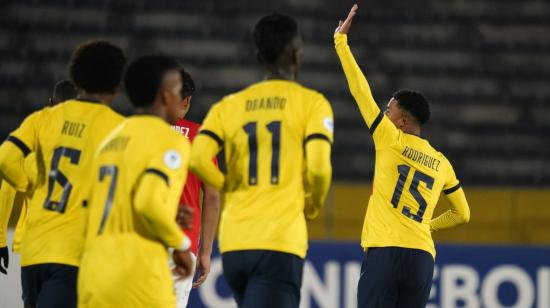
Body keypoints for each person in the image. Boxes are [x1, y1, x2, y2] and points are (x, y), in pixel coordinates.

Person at [190, 13, 333, 308]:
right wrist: (313, 204)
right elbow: (319, 170)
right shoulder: (312, 103)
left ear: (258, 55)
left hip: (234, 245)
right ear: (297, 55)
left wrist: (229, 186)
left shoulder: (228, 106)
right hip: (279, 241)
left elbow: (198, 158)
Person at [334, 5, 471, 308]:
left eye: (389, 109)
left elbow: (360, 92)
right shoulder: (442, 162)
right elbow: (464, 214)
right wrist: (428, 226)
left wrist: (341, 44)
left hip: (385, 251)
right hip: (422, 257)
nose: (384, 112)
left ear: (403, 121)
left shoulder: (389, 138)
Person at [0, 40, 126, 308]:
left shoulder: (42, 120)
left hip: (34, 252)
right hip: (75, 252)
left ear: (76, 77)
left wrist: (31, 183)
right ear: (115, 86)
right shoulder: (118, 128)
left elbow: (5, 158)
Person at [78, 54, 194, 308]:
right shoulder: (170, 140)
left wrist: (166, 217)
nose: (181, 97)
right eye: (177, 90)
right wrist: (182, 245)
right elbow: (148, 202)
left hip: (93, 278)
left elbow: (90, 208)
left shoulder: (109, 141)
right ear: (165, 96)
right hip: (138, 280)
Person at [0, 79, 78, 275]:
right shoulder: (88, 138)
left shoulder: (33, 133)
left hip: (32, 241)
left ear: (50, 102)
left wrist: (1, 239)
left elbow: (7, 188)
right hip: (68, 243)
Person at [169, 69, 220, 307]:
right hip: (182, 244)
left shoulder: (138, 131)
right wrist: (206, 252)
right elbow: (211, 196)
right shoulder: (200, 137)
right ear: (187, 101)